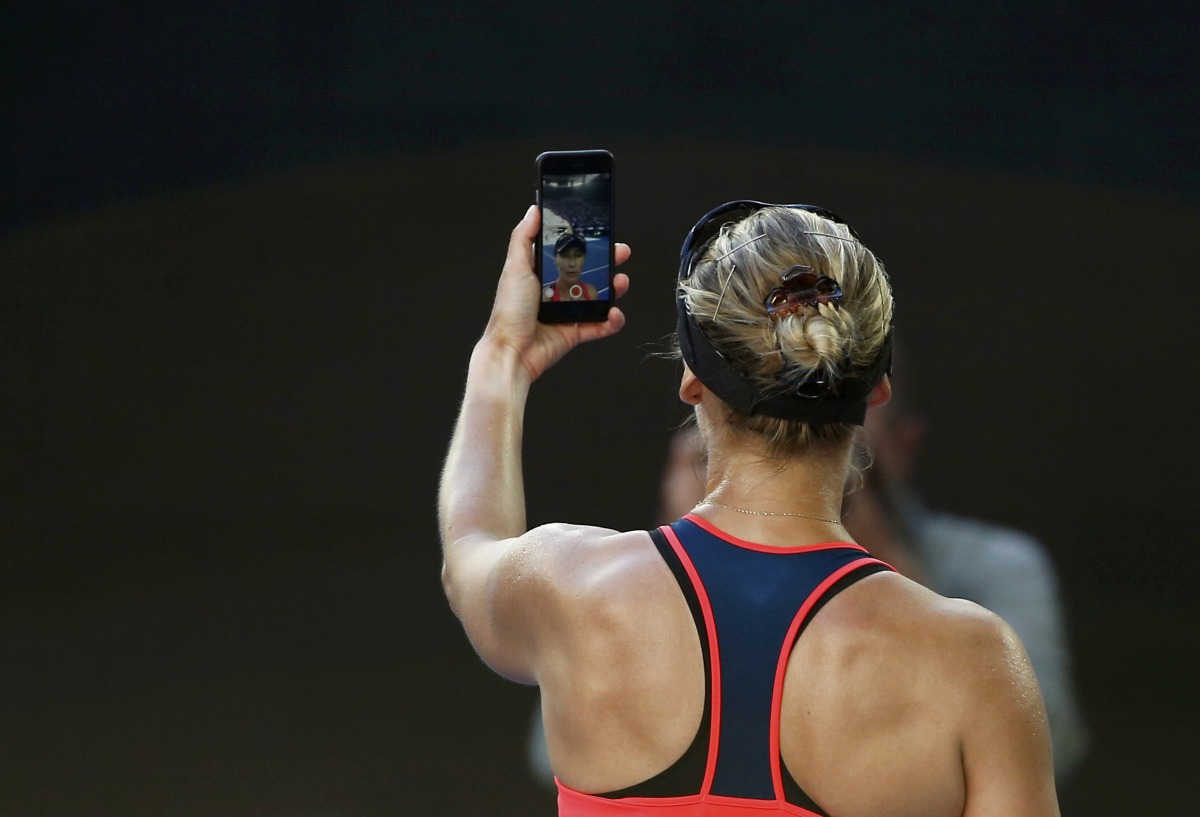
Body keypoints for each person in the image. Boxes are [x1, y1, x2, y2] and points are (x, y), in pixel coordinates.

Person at [439, 201, 1060, 816]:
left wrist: (503, 356)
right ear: (877, 389)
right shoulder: (974, 664)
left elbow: (470, 545)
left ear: (692, 381)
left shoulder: (570, 585)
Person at [544, 232, 599, 301]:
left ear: (584, 259)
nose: (572, 264)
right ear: (555, 260)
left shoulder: (592, 294)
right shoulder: (545, 297)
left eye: (578, 255)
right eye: (565, 255)